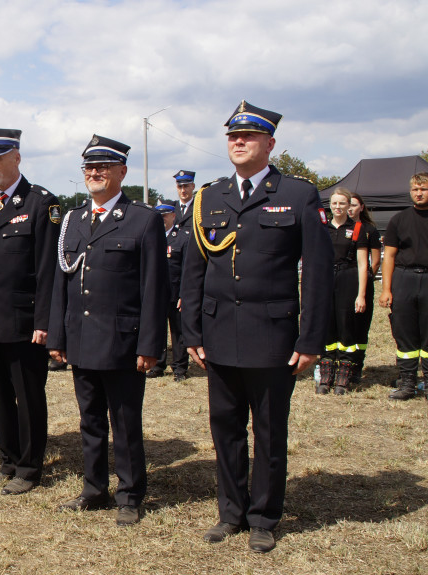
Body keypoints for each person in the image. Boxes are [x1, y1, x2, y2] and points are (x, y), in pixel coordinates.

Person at [180, 101, 332, 553]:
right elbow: (193, 271)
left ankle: (264, 516)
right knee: (224, 428)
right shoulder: (210, 196)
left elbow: (320, 275)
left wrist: (311, 340)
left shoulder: (299, 194)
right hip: (218, 334)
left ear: (269, 143)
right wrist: (191, 332)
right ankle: (231, 512)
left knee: (268, 431)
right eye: (232, 137)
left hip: (272, 337)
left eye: (247, 137)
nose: (238, 143)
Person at [48, 136, 168, 526]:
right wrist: (57, 337)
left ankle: (130, 495)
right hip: (81, 338)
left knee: (125, 422)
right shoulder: (73, 219)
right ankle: (94, 488)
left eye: (103, 167)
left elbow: (154, 288)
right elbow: (61, 283)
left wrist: (150, 344)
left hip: (122, 341)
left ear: (122, 172)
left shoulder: (142, 219)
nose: (95, 174)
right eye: (89, 168)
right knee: (90, 421)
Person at [0, 128, 61, 495]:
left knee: (28, 396)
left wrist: (44, 321)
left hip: (24, 321)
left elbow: (47, 268)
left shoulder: (41, 202)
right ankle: (7, 460)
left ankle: (29, 466)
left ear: (17, 158)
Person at [378, 172, 428, 401]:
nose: (419, 193)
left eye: (424, 189)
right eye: (415, 189)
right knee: (404, 333)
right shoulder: (398, 220)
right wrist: (386, 289)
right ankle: (407, 382)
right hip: (404, 279)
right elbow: (388, 256)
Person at [317, 189, 369, 394]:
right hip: (326, 278)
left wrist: (361, 294)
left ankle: (343, 379)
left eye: (342, 203)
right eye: (334, 203)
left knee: (346, 327)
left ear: (350, 206)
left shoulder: (357, 228)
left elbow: (363, 264)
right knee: (327, 326)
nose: (338, 207)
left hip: (348, 277)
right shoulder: (323, 228)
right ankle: (325, 377)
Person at [147, 202, 190, 381]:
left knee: (178, 333)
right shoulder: (150, 237)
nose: (162, 220)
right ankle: (158, 365)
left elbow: (188, 269)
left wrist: (184, 294)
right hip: (157, 294)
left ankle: (180, 368)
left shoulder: (182, 238)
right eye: (159, 217)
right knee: (158, 330)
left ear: (173, 216)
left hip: (176, 293)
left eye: (165, 216)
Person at [348, 192, 381, 386]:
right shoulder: (336, 228)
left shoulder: (369, 230)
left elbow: (375, 261)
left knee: (360, 325)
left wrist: (365, 281)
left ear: (361, 207)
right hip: (342, 282)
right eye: (347, 205)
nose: (350, 208)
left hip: (362, 283)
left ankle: (356, 366)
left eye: (353, 205)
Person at [172, 170, 196, 238]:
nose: (183, 191)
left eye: (186, 186)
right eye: (180, 187)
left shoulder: (199, 208)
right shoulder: (172, 209)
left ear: (193, 186)